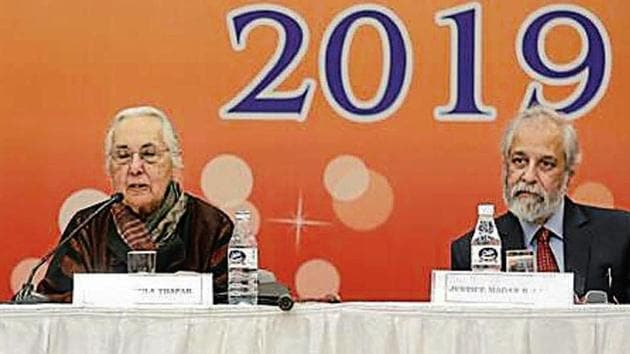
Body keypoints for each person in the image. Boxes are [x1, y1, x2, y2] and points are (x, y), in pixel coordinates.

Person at [36, 105, 233, 302]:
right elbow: (53, 305)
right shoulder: (87, 227)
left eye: (149, 154)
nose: (135, 167)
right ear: (109, 167)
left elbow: (233, 309)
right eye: (123, 156)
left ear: (173, 162)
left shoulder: (211, 227)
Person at [451, 105, 630, 303]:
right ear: (505, 168)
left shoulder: (620, 235)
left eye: (546, 164)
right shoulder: (471, 250)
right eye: (519, 161)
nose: (528, 177)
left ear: (569, 174)